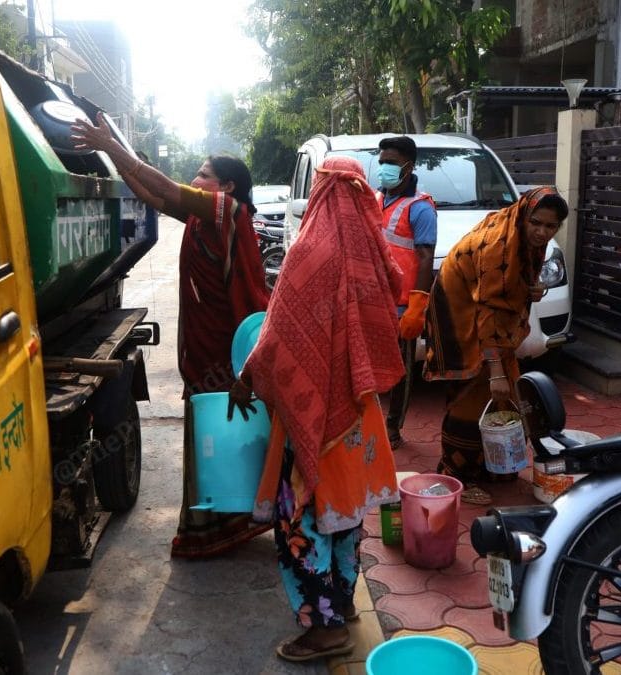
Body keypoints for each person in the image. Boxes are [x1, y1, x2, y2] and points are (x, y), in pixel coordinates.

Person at [228, 156, 405, 662]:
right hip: (359, 412)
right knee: (344, 516)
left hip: (315, 414)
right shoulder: (373, 251)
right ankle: (342, 605)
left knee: (301, 520)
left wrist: (247, 379)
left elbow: (279, 336)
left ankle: (324, 628)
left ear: (323, 191)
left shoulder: (311, 249)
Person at [72, 113, 271, 558]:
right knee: (212, 431)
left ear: (228, 188)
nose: (195, 180)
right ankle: (221, 519)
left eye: (204, 175)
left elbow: (164, 187)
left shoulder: (228, 213)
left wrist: (111, 144)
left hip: (226, 350)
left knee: (221, 432)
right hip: (203, 350)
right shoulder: (206, 216)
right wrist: (112, 154)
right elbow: (152, 195)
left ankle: (223, 521)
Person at [422, 186, 567, 506]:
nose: (542, 232)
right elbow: (489, 310)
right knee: (474, 391)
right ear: (524, 215)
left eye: (550, 226)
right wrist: (495, 370)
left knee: (506, 392)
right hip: (459, 314)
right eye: (537, 223)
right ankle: (455, 472)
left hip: (487, 315)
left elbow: (512, 286)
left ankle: (490, 463)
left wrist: (531, 289)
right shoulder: (499, 247)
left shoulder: (518, 230)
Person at [376, 136, 437, 449]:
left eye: (390, 163)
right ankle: (371, 422)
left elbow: (426, 257)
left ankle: (393, 428)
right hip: (374, 301)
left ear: (408, 166)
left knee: (399, 372)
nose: (383, 167)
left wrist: (417, 305)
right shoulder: (377, 199)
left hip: (401, 306)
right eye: (381, 161)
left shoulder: (420, 208)